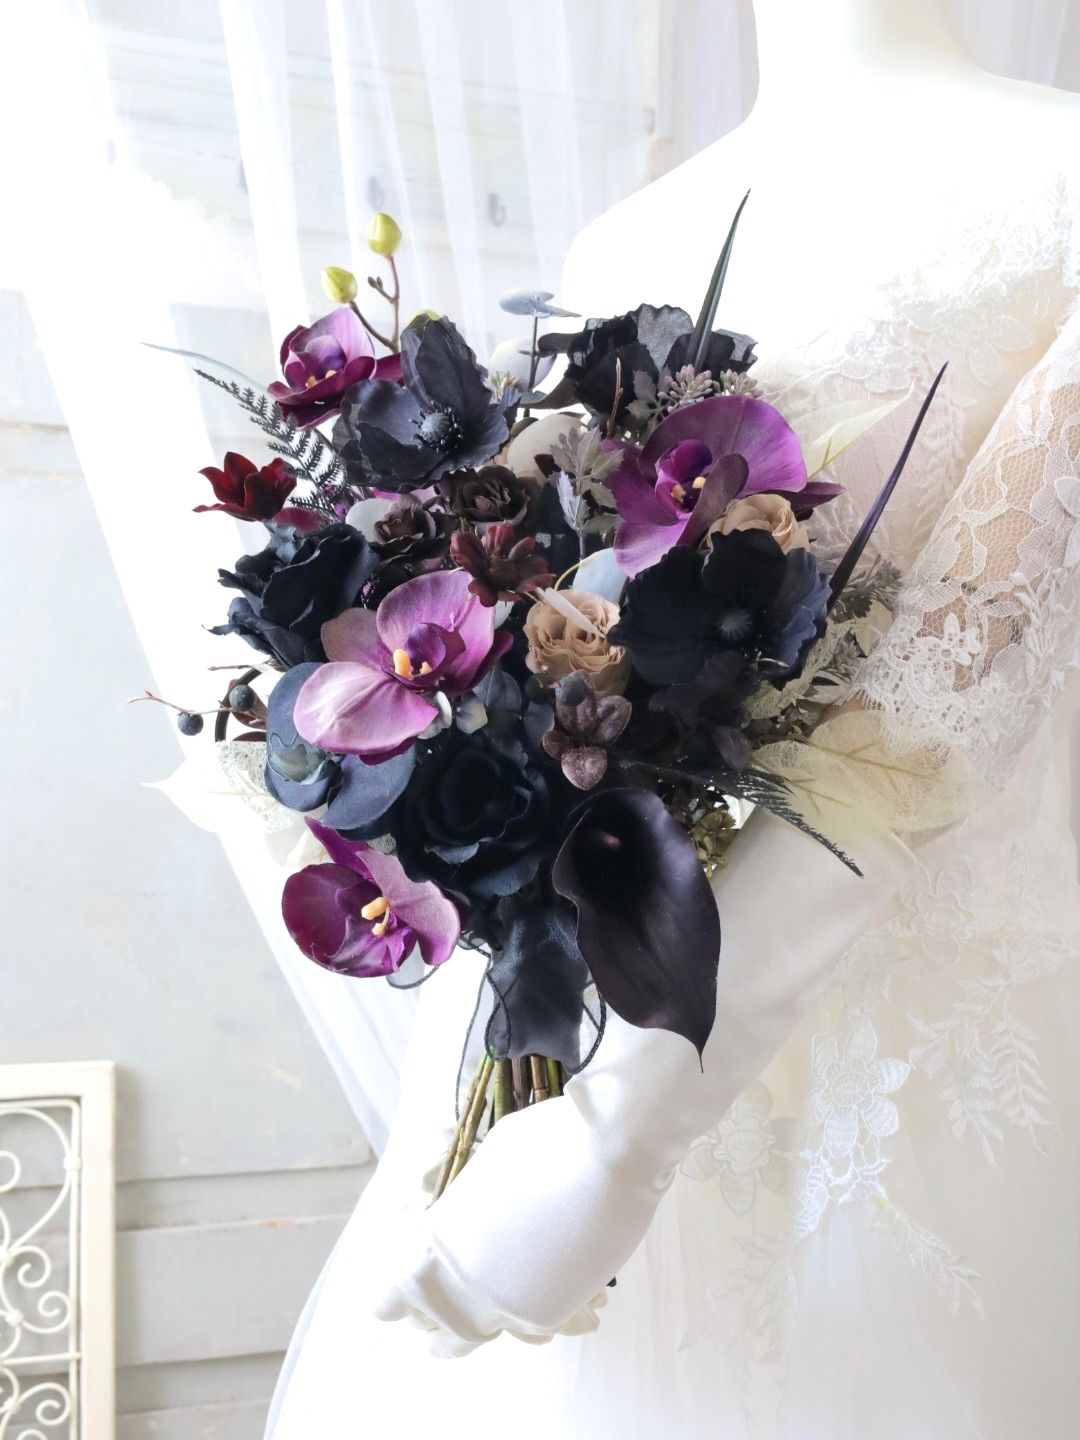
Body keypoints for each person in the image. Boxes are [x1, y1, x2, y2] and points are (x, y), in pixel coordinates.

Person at [268, 3, 1080, 1433]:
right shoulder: (624, 244)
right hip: (580, 1019)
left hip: (906, 1045)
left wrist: (623, 1129)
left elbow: (962, 680)